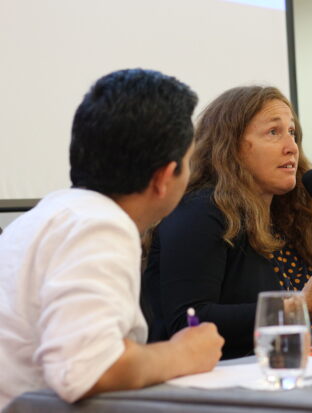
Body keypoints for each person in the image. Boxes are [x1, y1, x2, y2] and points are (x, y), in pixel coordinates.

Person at [0, 69, 224, 408]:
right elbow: (85, 370)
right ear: (164, 177)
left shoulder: (48, 216)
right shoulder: (101, 227)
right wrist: (184, 353)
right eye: (189, 161)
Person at [143, 85, 312, 359]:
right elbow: (189, 321)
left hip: (276, 374)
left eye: (292, 133)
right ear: (230, 145)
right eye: (273, 132)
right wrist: (296, 307)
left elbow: (309, 327)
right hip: (210, 387)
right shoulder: (200, 211)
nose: (291, 147)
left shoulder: (285, 219)